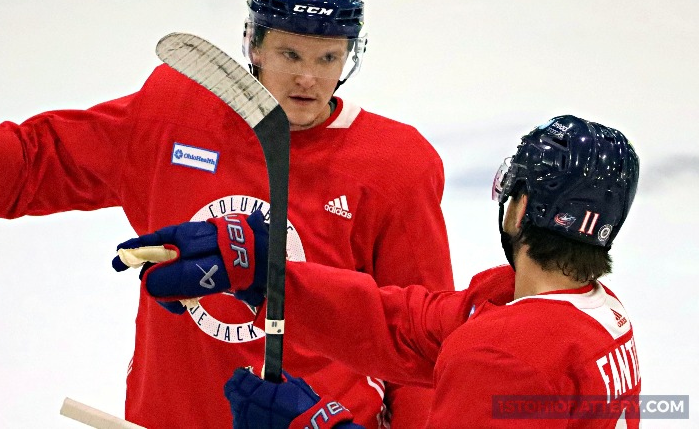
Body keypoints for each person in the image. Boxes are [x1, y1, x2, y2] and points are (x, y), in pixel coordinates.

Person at [0, 0, 453, 429]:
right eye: (290, 54)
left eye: (327, 57)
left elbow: (423, 345)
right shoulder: (176, 112)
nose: (309, 78)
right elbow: (48, 159)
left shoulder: (393, 164)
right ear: (253, 44)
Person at [119, 115, 641, 428]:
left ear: (519, 209)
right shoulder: (587, 314)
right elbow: (400, 326)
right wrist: (270, 277)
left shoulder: (504, 355)